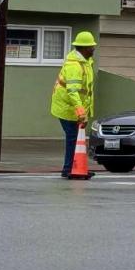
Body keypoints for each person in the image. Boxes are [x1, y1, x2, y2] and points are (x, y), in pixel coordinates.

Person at [50, 31, 97, 178]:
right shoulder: (75, 66)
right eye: (91, 47)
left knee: (77, 139)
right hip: (67, 108)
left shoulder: (85, 63)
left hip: (73, 107)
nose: (93, 49)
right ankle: (69, 168)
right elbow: (72, 91)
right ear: (84, 48)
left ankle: (76, 167)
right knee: (73, 138)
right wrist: (80, 110)